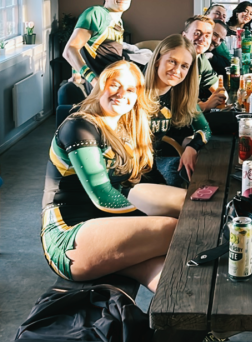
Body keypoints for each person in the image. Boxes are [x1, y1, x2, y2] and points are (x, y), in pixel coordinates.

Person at [41, 60, 178, 291]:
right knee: (175, 229)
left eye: (131, 89)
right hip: (69, 236)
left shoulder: (124, 127)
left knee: (172, 270)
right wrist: (147, 220)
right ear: (100, 85)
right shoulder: (79, 126)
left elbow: (146, 177)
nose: (122, 94)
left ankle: (193, 308)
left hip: (105, 226)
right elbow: (102, 194)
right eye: (115, 85)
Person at [145, 35, 212, 187]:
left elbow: (205, 129)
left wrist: (192, 147)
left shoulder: (181, 96)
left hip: (156, 165)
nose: (176, 70)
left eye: (184, 66)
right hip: (131, 169)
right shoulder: (133, 90)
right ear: (157, 60)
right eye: (172, 61)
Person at [61, 0, 133, 99]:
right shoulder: (97, 13)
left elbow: (83, 46)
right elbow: (70, 49)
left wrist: (76, 75)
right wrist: (94, 81)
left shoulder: (118, 21)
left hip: (117, 81)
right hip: (103, 89)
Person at [182, 16, 228, 111]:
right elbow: (175, 104)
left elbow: (221, 92)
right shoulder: (174, 59)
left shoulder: (201, 58)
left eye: (207, 36)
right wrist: (205, 105)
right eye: (197, 33)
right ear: (184, 36)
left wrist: (218, 98)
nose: (202, 39)